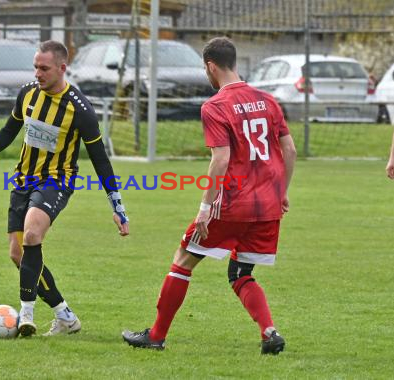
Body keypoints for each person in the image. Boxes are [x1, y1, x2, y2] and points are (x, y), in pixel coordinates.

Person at [122, 37, 296, 354]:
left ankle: (157, 336)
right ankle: (269, 333)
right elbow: (290, 150)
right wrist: (281, 192)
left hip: (231, 204)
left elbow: (221, 159)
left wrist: (204, 209)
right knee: (240, 272)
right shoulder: (268, 100)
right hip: (267, 205)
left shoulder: (215, 106)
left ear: (210, 66)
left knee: (182, 262)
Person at [0, 40, 129, 337]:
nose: (37, 73)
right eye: (35, 67)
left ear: (62, 68)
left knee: (32, 234)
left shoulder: (80, 110)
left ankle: (26, 314)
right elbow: (8, 131)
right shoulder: (27, 93)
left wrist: (117, 206)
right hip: (23, 180)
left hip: (57, 180)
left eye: (44, 68)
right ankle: (64, 315)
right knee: (18, 254)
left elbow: (100, 159)